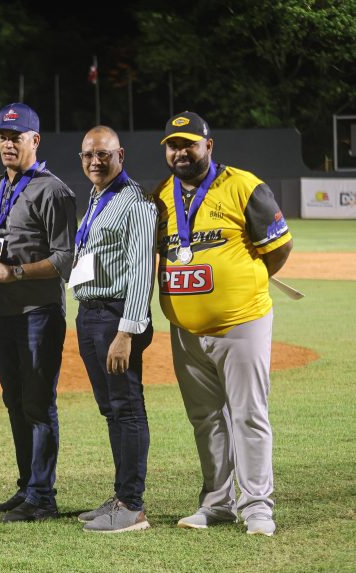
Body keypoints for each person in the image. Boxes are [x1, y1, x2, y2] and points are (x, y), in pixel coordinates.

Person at [153, 111, 293, 536]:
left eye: (189, 144)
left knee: (249, 415)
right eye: (173, 145)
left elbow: (279, 249)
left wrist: (243, 287)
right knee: (206, 419)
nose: (180, 152)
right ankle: (217, 504)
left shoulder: (244, 186)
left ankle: (257, 508)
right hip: (186, 331)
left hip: (241, 324)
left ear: (208, 146)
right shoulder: (160, 196)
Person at [0, 103, 76, 523]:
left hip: (39, 311)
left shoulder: (53, 190)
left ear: (35, 140)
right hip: (3, 313)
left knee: (37, 403)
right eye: (2, 136)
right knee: (15, 402)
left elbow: (65, 260)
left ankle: (43, 496)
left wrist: (12, 271)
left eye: (16, 136)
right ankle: (26, 487)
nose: (8, 143)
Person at [72, 126, 157, 533]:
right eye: (89, 154)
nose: (95, 161)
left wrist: (127, 332)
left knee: (127, 409)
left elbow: (142, 271)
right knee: (112, 411)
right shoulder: (98, 198)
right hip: (91, 313)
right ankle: (121, 495)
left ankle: (132, 506)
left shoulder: (135, 202)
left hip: (116, 317)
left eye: (103, 154)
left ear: (120, 154)